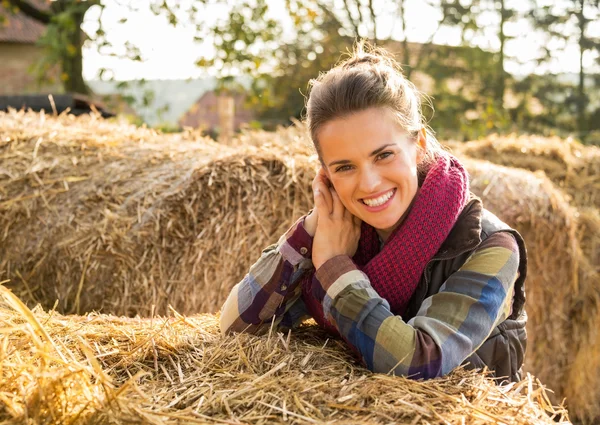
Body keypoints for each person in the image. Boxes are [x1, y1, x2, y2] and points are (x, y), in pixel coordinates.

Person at [219, 42, 527, 382]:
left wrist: (335, 268)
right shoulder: (339, 231)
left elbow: (419, 362)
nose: (368, 184)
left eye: (383, 155)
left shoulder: (490, 245)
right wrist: (310, 229)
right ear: (325, 174)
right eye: (345, 167)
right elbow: (235, 326)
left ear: (419, 144)